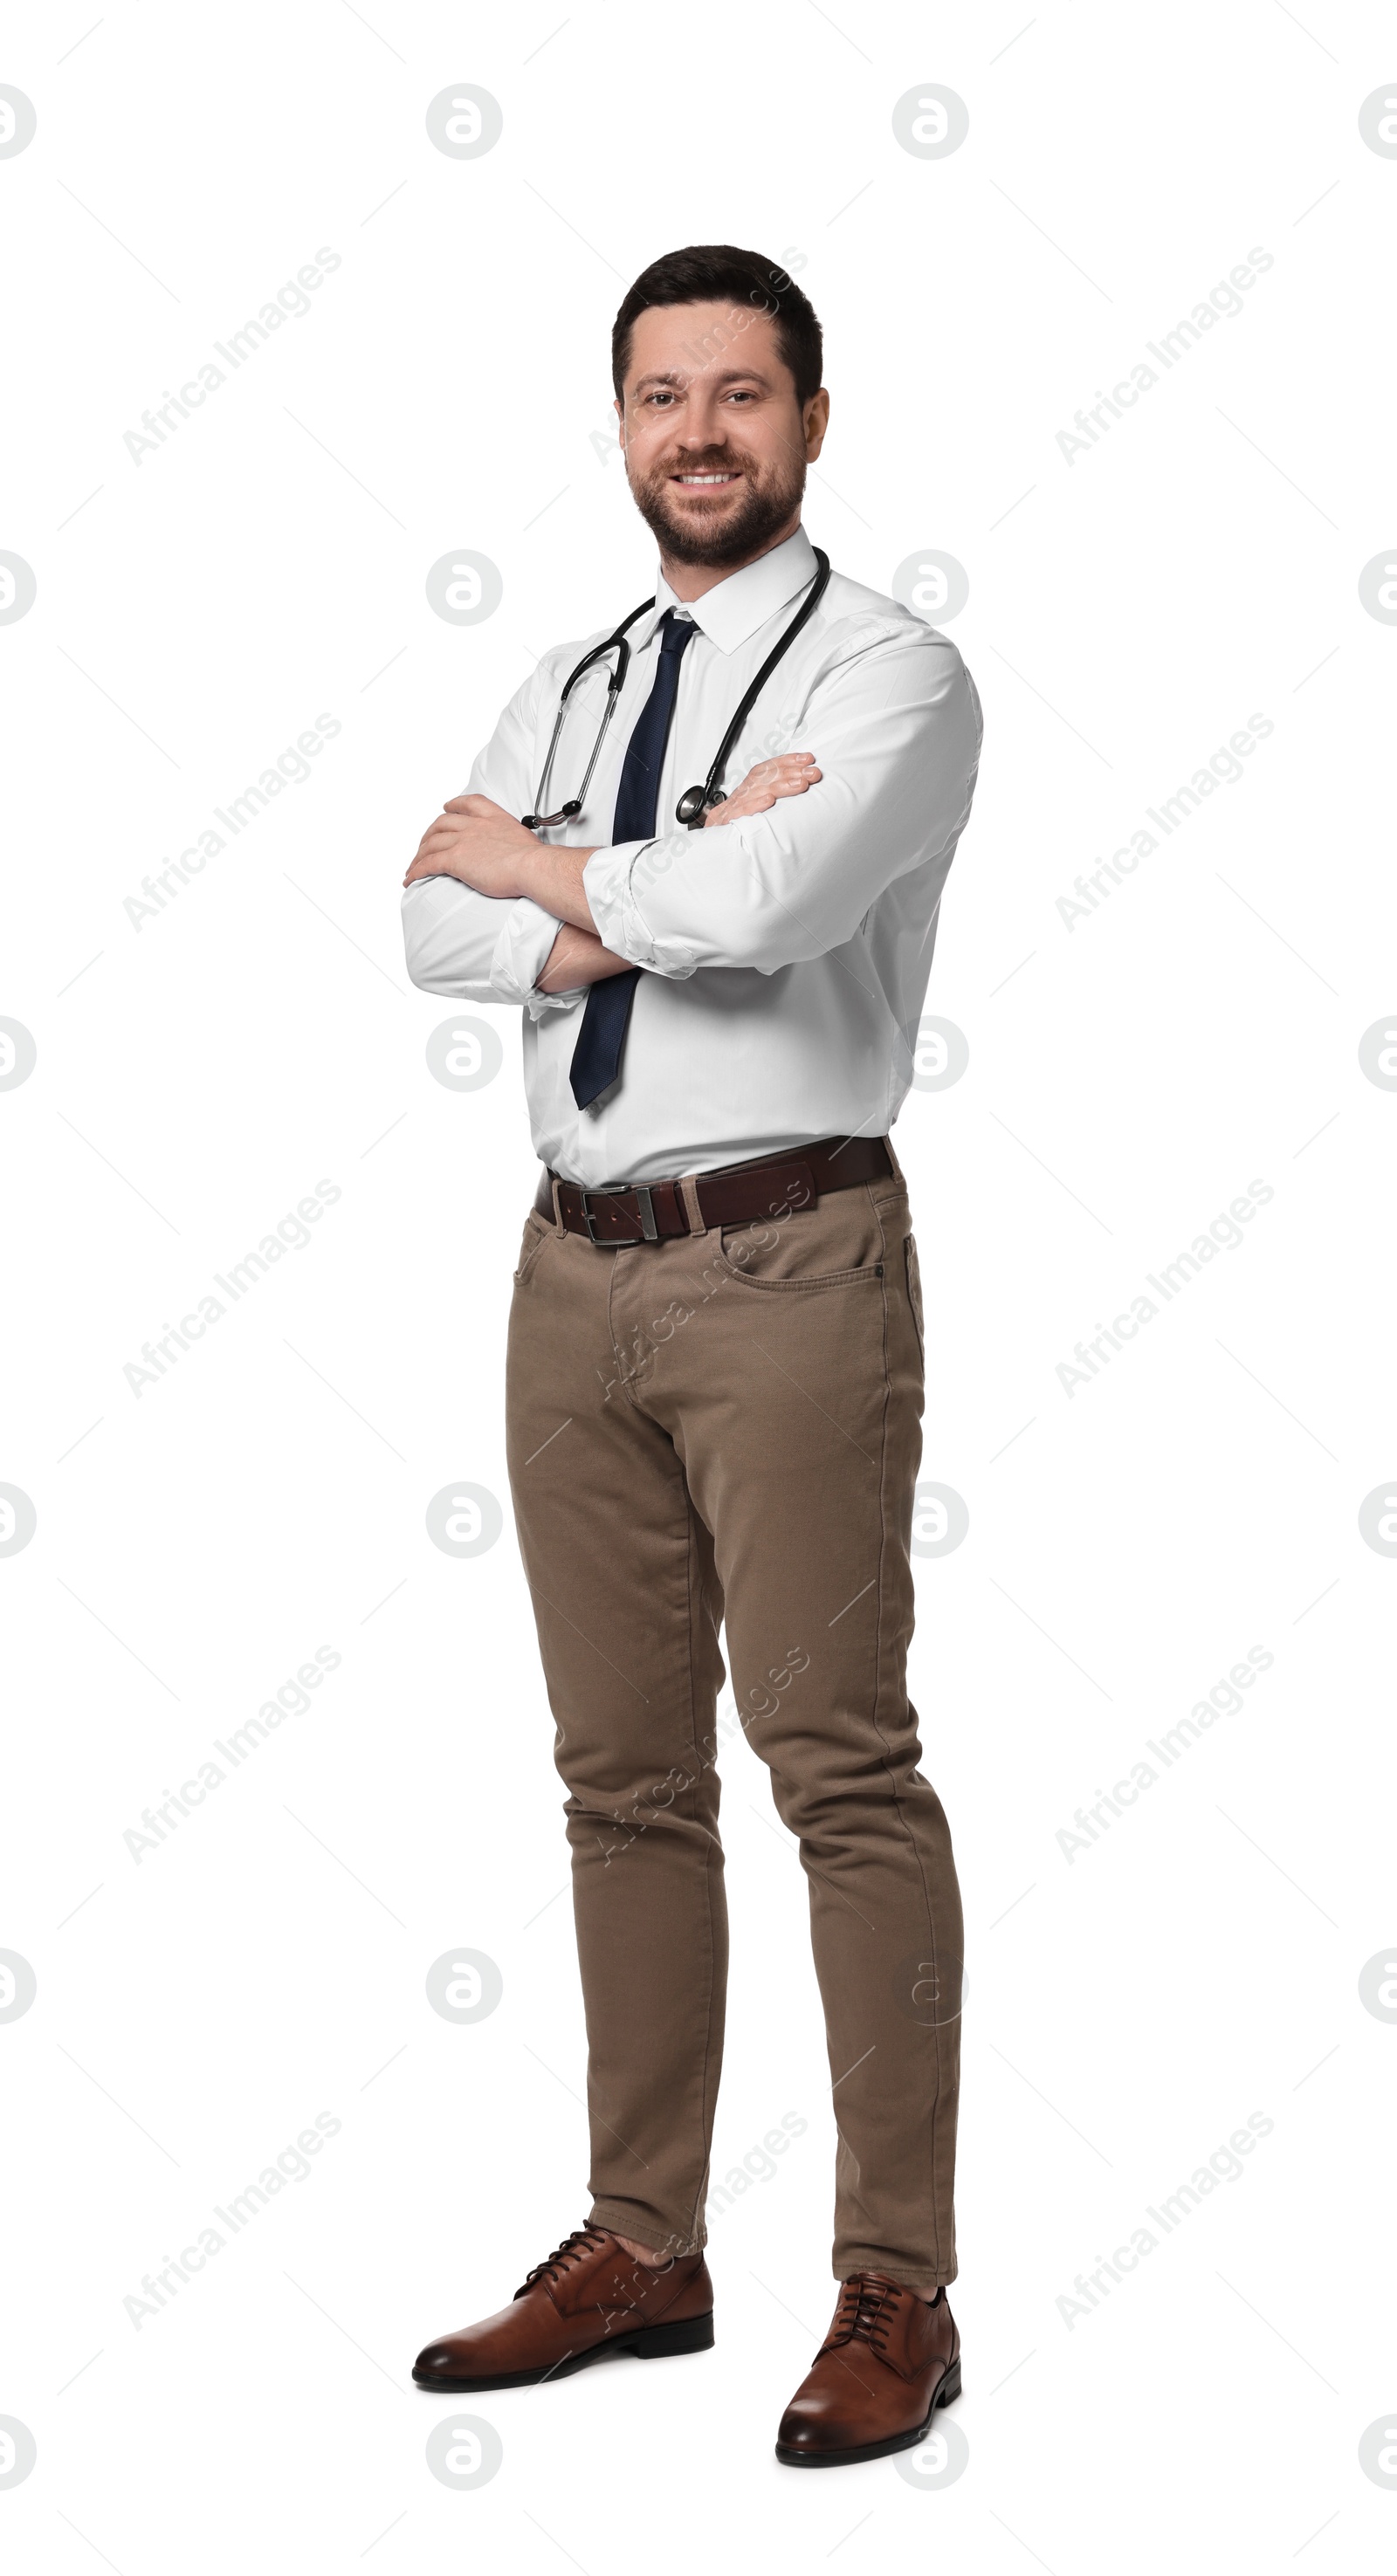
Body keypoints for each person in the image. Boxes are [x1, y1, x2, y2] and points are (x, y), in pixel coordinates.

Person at [399, 244, 982, 2467]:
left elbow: (770, 916)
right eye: (663, 396)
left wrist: (557, 877)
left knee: (834, 1767)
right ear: (621, 423)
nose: (701, 433)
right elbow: (428, 924)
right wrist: (623, 880)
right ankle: (644, 2243)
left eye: (742, 393)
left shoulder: (896, 674)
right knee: (615, 1782)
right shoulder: (571, 676)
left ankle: (895, 2290)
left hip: (786, 1269)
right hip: (569, 1274)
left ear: (812, 421)